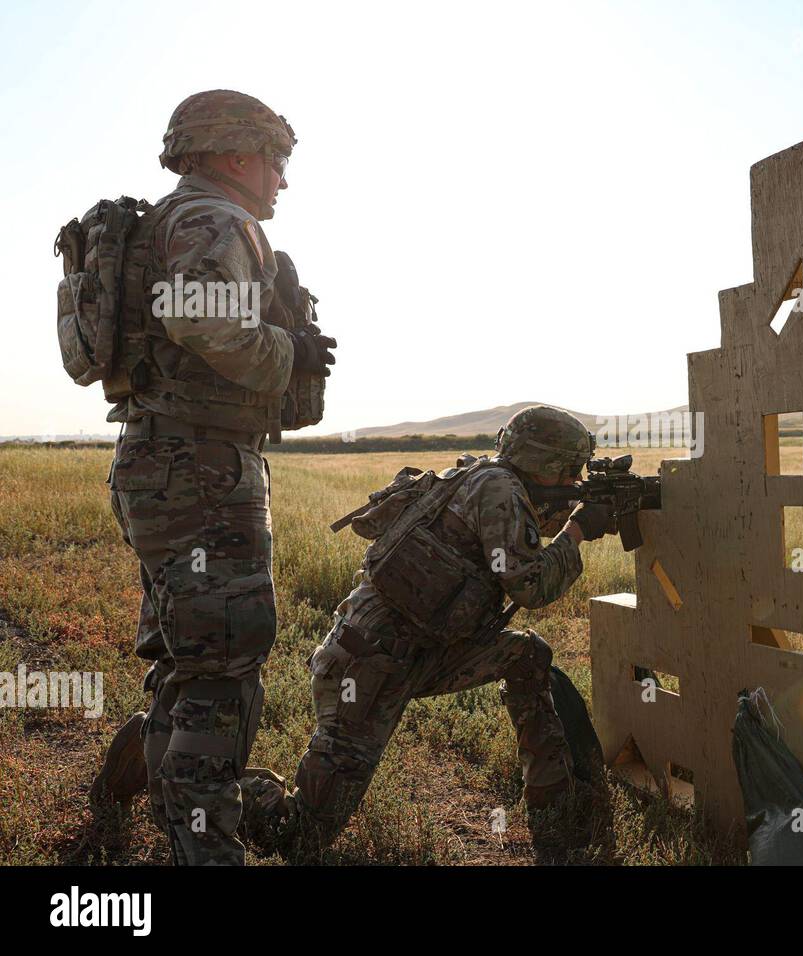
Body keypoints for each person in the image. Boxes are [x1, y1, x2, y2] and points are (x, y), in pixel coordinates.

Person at [87, 90, 336, 865]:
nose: (281, 182)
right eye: (276, 161)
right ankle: (205, 846)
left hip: (168, 461)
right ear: (235, 155)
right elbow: (202, 317)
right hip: (199, 469)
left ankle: (166, 805)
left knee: (192, 656)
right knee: (225, 666)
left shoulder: (177, 219)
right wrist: (287, 353)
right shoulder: (214, 219)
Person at [239, 405, 611, 858]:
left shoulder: (487, 477)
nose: (574, 478)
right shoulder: (498, 488)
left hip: (422, 654)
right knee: (299, 838)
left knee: (526, 655)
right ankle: (209, 780)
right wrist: (576, 531)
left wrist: (572, 509)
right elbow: (530, 584)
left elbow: (513, 535)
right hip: (368, 666)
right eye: (570, 469)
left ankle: (557, 802)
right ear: (545, 463)